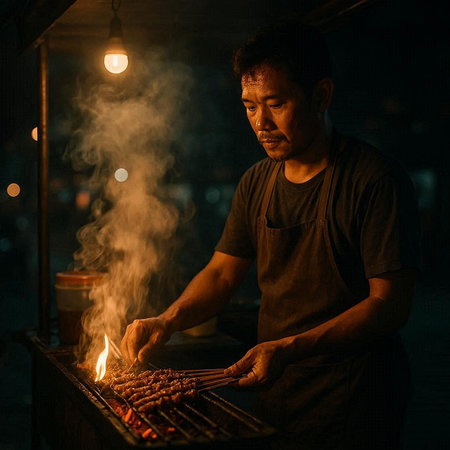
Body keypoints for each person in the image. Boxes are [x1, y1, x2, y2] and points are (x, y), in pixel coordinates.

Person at [121, 23, 420, 449]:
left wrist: (287, 347)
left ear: (321, 96)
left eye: (276, 103)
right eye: (249, 106)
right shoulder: (256, 182)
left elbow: (389, 305)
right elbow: (223, 274)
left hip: (356, 397)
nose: (261, 122)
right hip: (275, 389)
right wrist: (167, 320)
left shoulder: (375, 180)